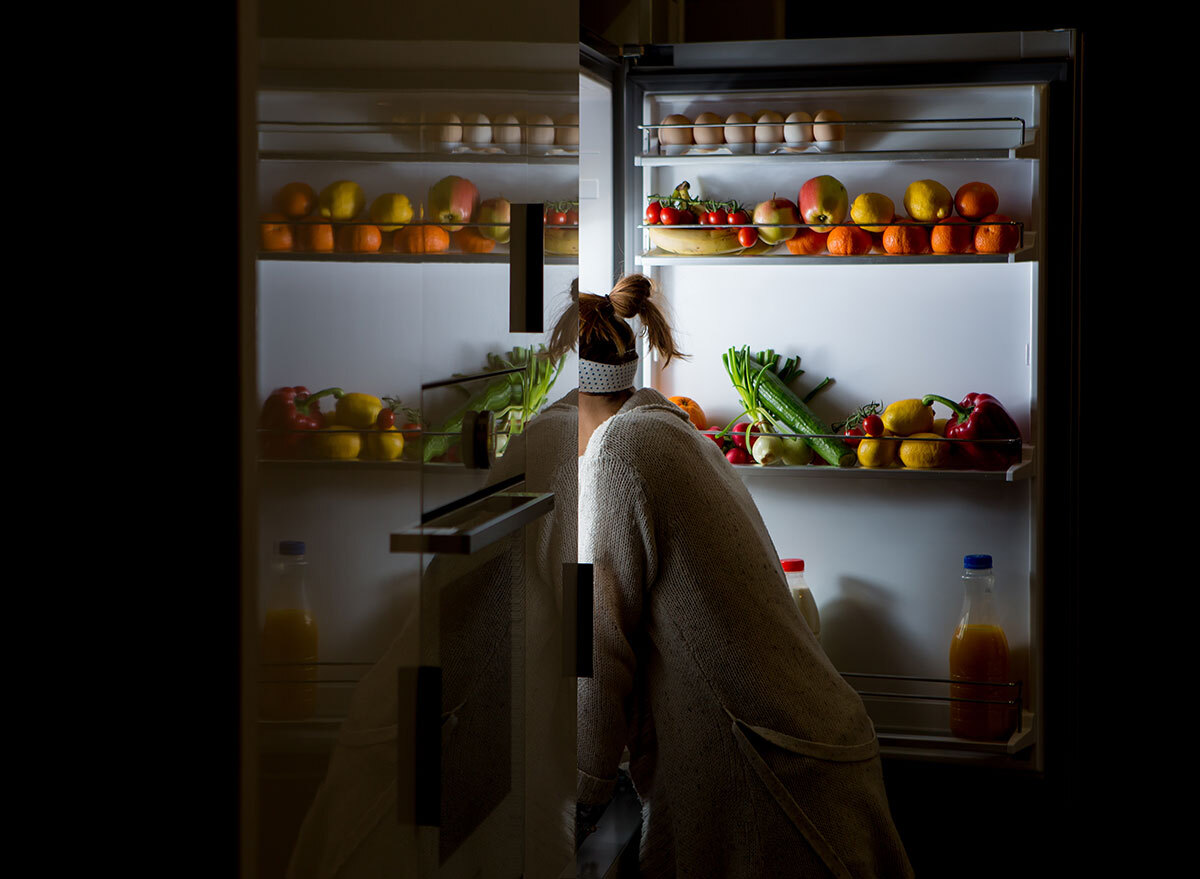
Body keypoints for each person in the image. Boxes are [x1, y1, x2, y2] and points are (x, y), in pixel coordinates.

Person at [575, 273, 914, 878]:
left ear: (569, 396)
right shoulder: (668, 430)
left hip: (773, 778)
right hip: (815, 749)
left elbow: (599, 647)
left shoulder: (616, 454)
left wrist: (580, 791)